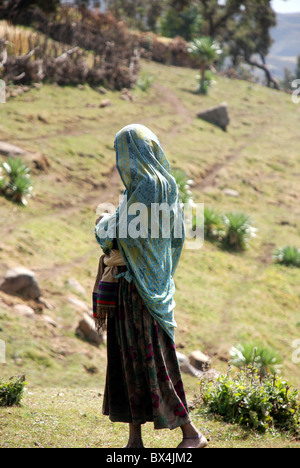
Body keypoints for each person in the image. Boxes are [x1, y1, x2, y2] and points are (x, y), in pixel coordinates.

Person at [94, 124, 207, 449]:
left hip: (139, 294)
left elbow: (122, 233)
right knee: (129, 362)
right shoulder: (164, 186)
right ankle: (134, 440)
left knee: (152, 361)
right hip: (146, 287)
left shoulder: (146, 188)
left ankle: (192, 434)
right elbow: (174, 238)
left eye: (123, 152)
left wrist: (103, 226)